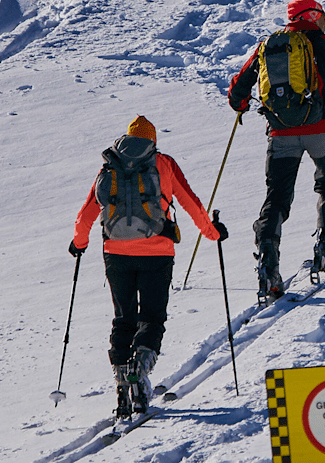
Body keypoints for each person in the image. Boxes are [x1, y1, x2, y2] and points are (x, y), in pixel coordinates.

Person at [69, 116, 227, 416]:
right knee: (152, 317)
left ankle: (121, 382)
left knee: (123, 319)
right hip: (157, 253)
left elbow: (88, 211)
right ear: (152, 141)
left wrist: (79, 243)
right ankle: (140, 369)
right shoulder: (163, 163)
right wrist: (213, 232)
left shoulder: (110, 166)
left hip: (115, 253)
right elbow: (190, 201)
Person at [227, 0, 325, 301]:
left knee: (277, 198)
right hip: (320, 130)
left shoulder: (268, 45)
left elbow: (238, 88)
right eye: (322, 15)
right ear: (312, 16)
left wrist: (241, 104)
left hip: (281, 133)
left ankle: (268, 262)